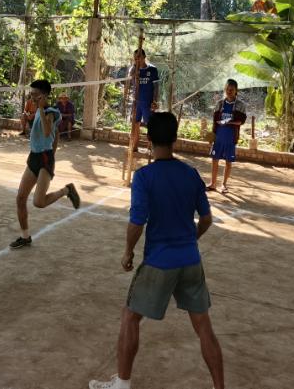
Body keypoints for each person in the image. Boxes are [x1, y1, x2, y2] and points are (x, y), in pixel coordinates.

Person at [89, 112, 224, 389]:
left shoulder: (144, 177)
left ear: (148, 139)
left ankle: (122, 385)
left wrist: (128, 252)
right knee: (204, 327)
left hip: (160, 262)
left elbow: (137, 222)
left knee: (130, 317)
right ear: (175, 138)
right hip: (191, 260)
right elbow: (206, 219)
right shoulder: (191, 174)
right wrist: (191, 239)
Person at [10, 79, 81, 249]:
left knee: (39, 202)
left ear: (44, 95)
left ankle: (67, 190)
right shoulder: (39, 111)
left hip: (44, 159)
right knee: (20, 198)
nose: (32, 98)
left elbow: (48, 131)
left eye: (35, 95)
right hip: (34, 157)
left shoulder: (51, 112)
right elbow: (55, 135)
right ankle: (25, 236)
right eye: (31, 94)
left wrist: (50, 157)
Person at [206, 79, 247, 194]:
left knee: (228, 162)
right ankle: (213, 183)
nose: (229, 91)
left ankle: (224, 185)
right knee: (214, 160)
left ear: (236, 91)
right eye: (227, 89)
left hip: (230, 138)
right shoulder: (220, 104)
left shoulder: (240, 105)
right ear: (225, 89)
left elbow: (241, 121)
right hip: (218, 138)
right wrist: (211, 137)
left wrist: (227, 122)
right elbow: (215, 122)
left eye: (232, 90)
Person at [126, 49, 160, 153]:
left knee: (150, 125)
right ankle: (134, 146)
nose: (137, 60)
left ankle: (151, 148)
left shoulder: (152, 70)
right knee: (135, 123)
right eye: (135, 58)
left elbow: (156, 87)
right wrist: (134, 71)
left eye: (139, 57)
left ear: (144, 57)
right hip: (136, 102)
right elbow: (129, 79)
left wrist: (155, 101)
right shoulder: (133, 69)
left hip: (148, 102)